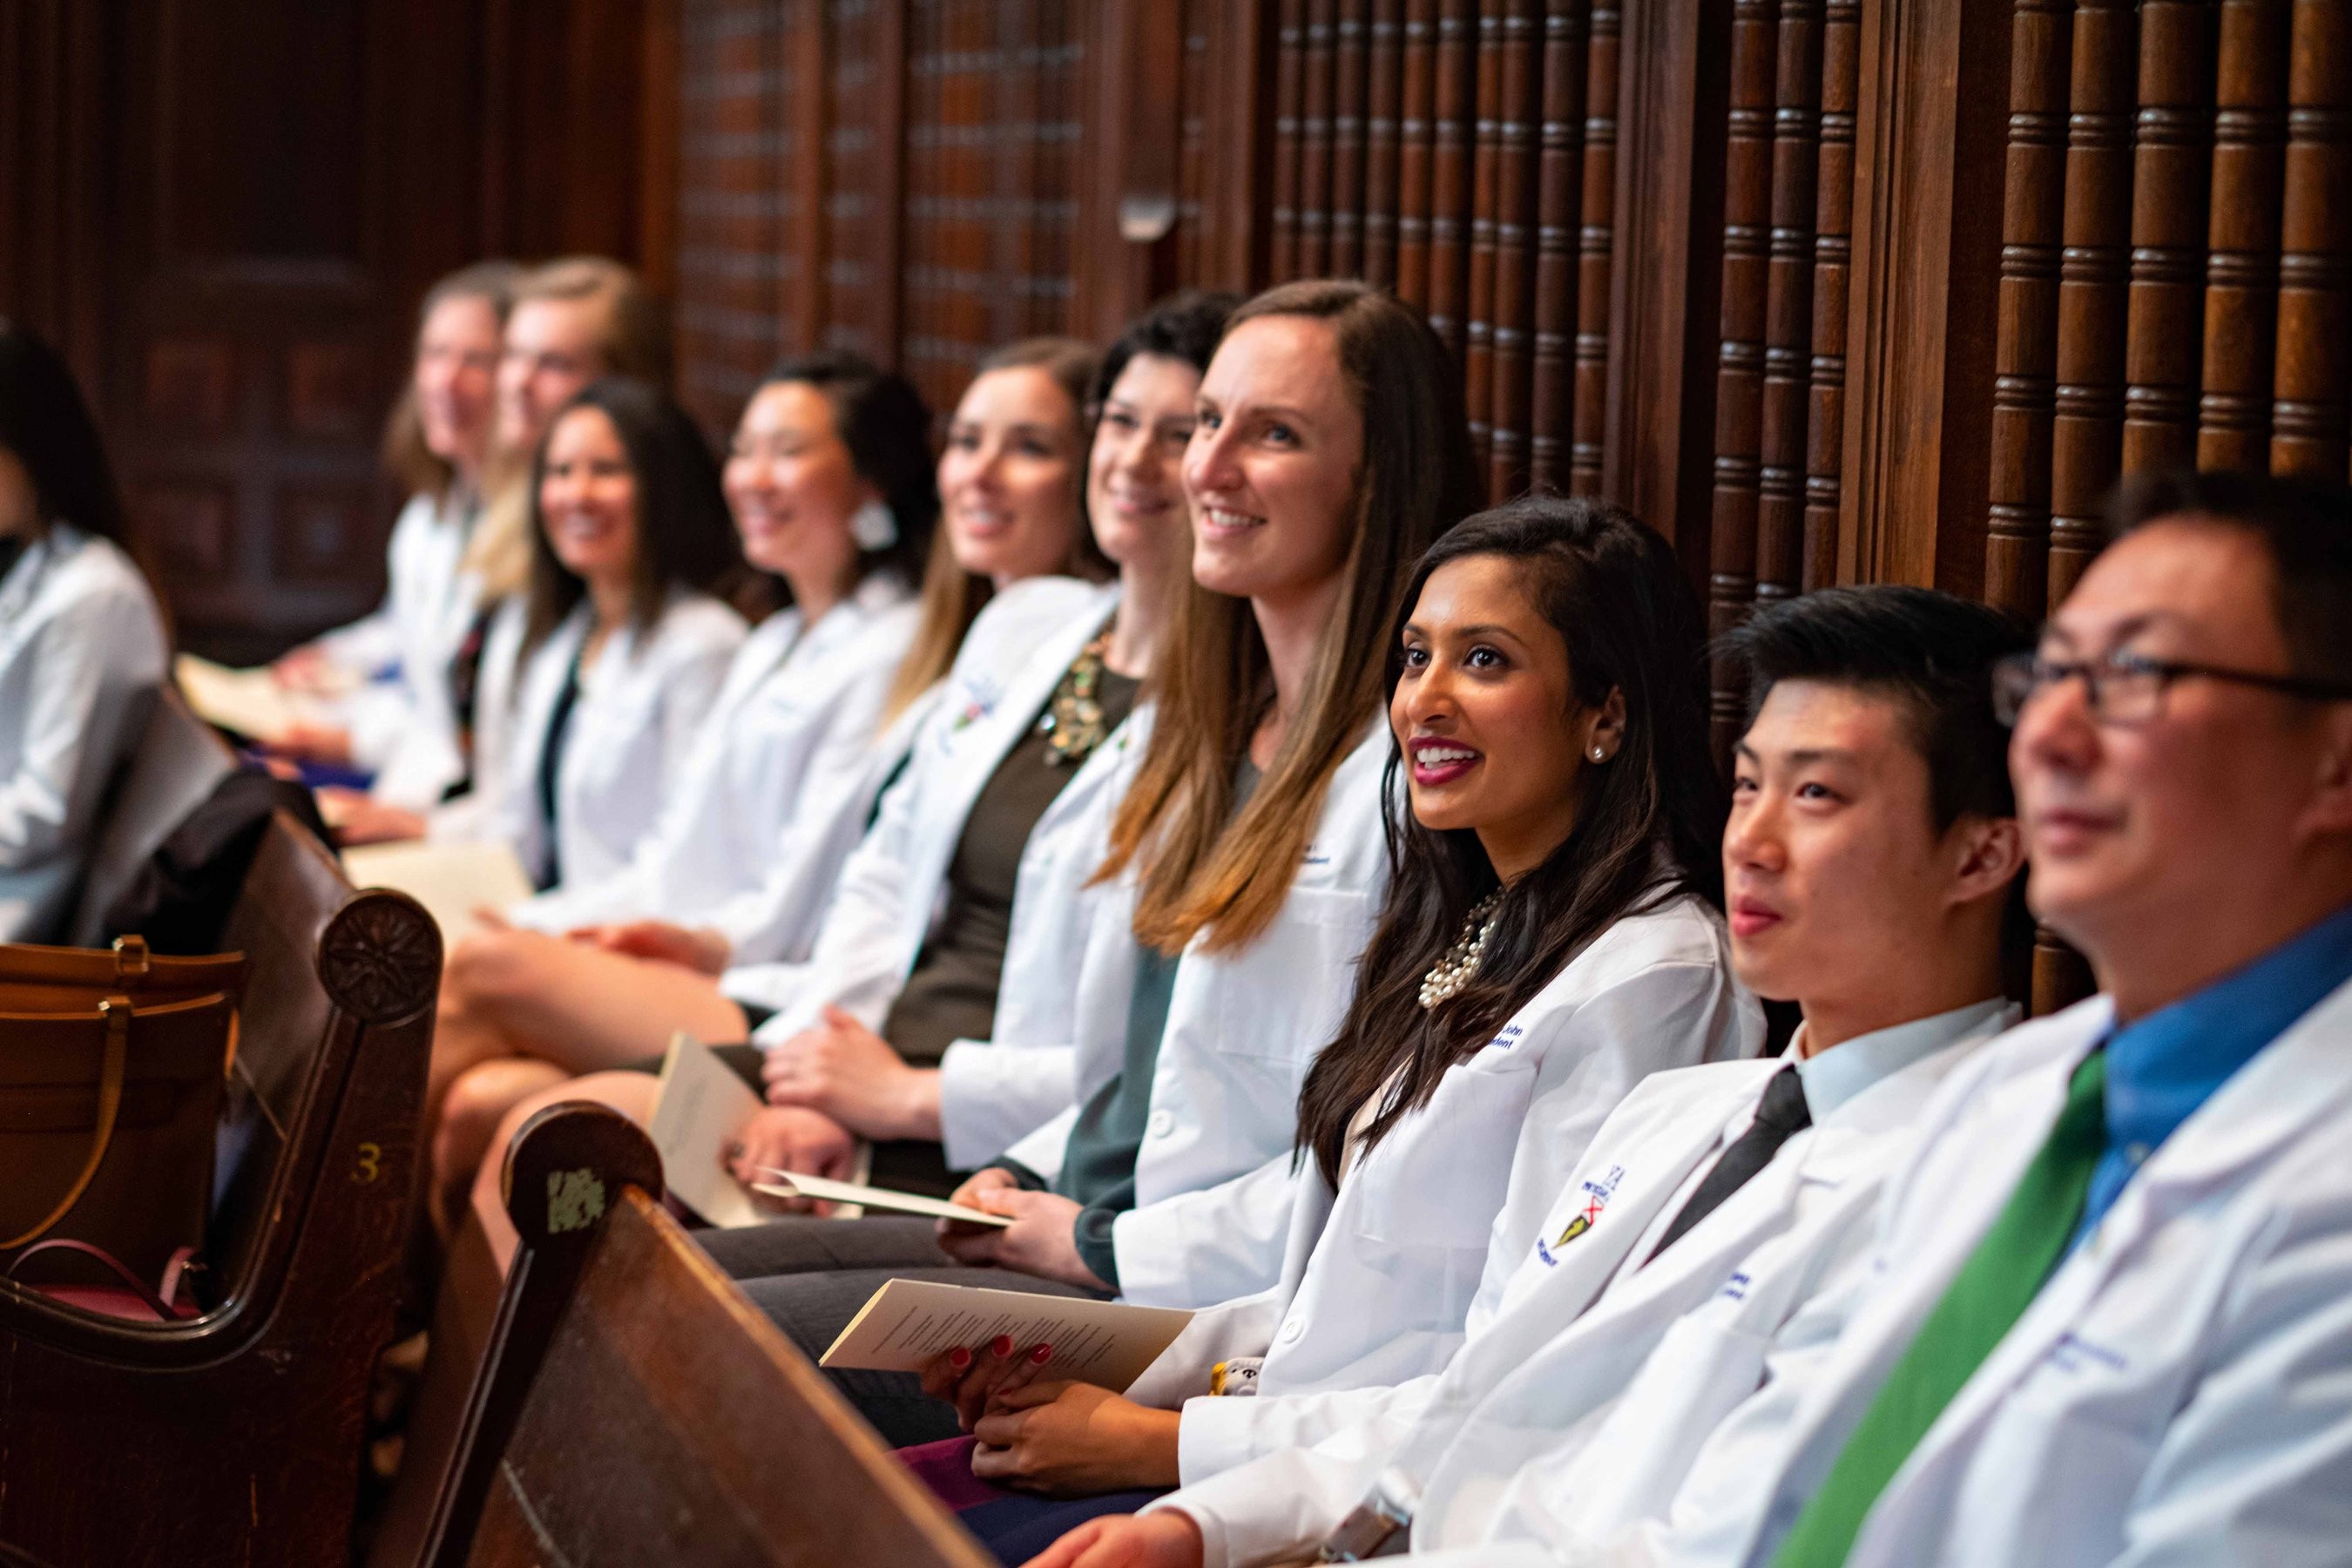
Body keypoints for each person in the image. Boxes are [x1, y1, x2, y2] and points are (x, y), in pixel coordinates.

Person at [1035, 584, 2034, 1568]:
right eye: (1747, 787)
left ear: (1984, 853)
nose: (1753, 843)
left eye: (1815, 795)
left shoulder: (1986, 1177)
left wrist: (1174, 1457)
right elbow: (1482, 1399)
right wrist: (1199, 1528)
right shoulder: (1686, 1115)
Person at [706, 278, 1482, 1448]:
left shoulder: (1404, 786)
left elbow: (1368, 1171)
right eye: (1205, 424)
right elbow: (1142, 1076)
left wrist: (1089, 1238)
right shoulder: (1212, 732)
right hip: (1085, 1225)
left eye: (1272, 434)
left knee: (723, 1350)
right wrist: (1024, 1171)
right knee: (674, 1280)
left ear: (1376, 479)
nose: (1206, 469)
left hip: (1182, 1297)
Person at [913, 497, 1760, 1556]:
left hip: (1369, 1513)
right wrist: (1103, 1368)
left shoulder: (1655, 978)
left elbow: (1508, 1389)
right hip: (1268, 1451)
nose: (1426, 701)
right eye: (1415, 657)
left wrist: (1165, 1451)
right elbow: (1317, 1309)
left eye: (1486, 661)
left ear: (1606, 714)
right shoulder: (1477, 925)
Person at [1601, 469, 2352, 1568]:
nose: (2048, 736)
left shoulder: (2325, 1199)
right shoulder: (2018, 1098)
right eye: (2050, 677)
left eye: (2133, 673)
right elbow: (1764, 1511)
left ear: (2333, 762)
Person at [455, 303, 1226, 1268]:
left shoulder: (1230, 720)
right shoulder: (1035, 627)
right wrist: (822, 1073)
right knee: (535, 1132)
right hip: (854, 1049)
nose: (1137, 459)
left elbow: (1146, 1064)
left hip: (977, 1127)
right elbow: (881, 879)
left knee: (560, 1144)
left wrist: (896, 1093)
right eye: (1120, 423)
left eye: (1181, 430)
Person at [421, 351, 937, 1220]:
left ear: (869, 483)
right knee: (485, 1098)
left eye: (787, 452)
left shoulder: (894, 648)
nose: (754, 478)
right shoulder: (774, 639)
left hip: (767, 987)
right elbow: (672, 853)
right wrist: (571, 926)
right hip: (697, 959)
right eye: (744, 451)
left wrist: (680, 940)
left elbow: (790, 905)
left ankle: (292, 1278)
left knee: (476, 962)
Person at [331, 256, 669, 842]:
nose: (516, 383)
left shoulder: (614, 559)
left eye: (553, 364)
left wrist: (430, 830)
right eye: (513, 357)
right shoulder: (509, 527)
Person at [267, 260, 518, 800]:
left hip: (455, 802)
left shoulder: (528, 544)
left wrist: (350, 738)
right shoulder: (431, 514)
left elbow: (460, 720)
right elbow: (404, 632)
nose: (445, 381)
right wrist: (328, 658)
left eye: (477, 360)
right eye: (434, 354)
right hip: (408, 772)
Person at [0, 320, 168, 943]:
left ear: (30, 448)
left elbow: (43, 813)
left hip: (20, 910)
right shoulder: (29, 559)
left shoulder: (94, 596)